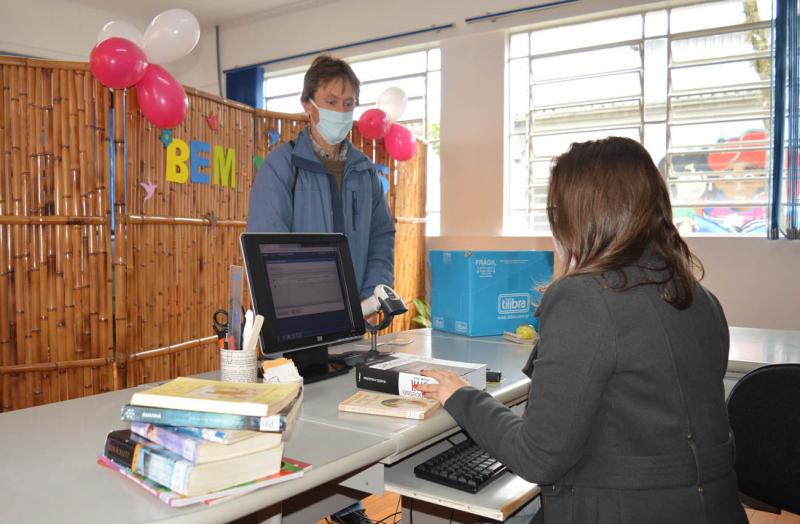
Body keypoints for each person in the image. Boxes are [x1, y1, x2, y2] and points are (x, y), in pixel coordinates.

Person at [418, 137, 747, 524]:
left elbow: (537, 457)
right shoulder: (700, 297)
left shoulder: (584, 297)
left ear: (580, 216)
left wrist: (462, 396)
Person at [246, 55, 395, 299]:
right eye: (331, 101)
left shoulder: (364, 170)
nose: (340, 111)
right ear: (308, 104)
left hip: (358, 312)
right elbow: (267, 245)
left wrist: (372, 298)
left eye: (348, 104)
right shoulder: (282, 165)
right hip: (299, 312)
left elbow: (381, 236)